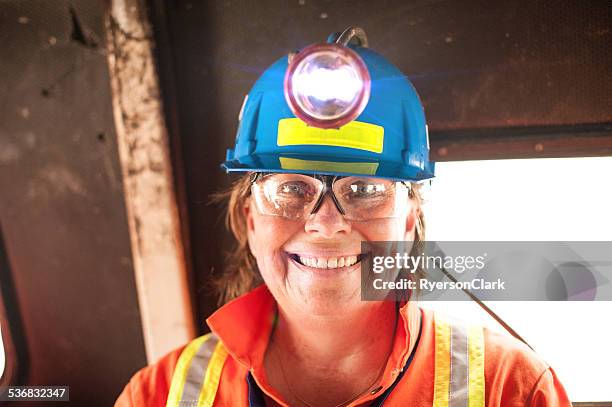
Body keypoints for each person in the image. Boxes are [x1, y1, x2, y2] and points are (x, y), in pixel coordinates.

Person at [115, 27, 571, 406]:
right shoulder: (157, 395)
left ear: (409, 221)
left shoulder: (512, 389)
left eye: (367, 190)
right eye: (292, 189)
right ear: (250, 217)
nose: (327, 223)